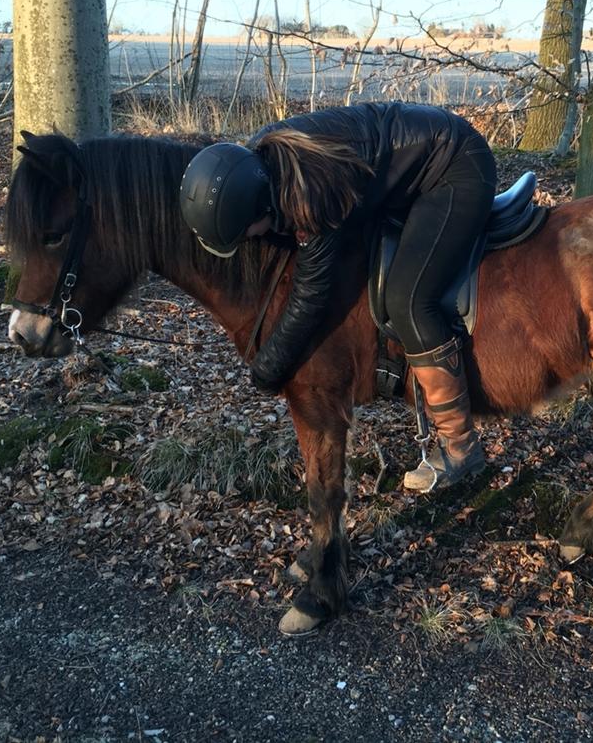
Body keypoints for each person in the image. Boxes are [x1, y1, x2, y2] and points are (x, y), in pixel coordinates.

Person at [178, 102, 497, 492]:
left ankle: (460, 446)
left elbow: (311, 295)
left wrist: (268, 367)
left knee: (408, 299)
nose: (251, 240)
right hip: (419, 152)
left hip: (455, 167)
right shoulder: (255, 160)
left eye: (248, 232)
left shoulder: (309, 193)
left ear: (261, 203)